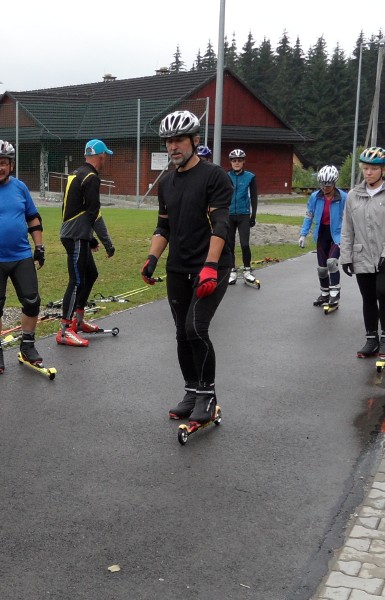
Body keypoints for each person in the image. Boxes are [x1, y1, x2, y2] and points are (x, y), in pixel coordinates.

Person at [139, 110, 233, 425]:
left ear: (195, 140)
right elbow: (162, 226)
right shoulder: (166, 182)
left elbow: (220, 225)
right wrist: (152, 258)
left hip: (213, 265)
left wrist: (210, 266)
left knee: (196, 328)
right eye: (168, 141)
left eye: (179, 139)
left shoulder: (215, 176)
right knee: (181, 332)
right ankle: (192, 390)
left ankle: (208, 394)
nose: (173, 146)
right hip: (179, 266)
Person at [0, 140, 46, 373]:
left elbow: (33, 217)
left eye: (2, 163)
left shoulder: (20, 187)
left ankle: (27, 345)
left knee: (32, 301)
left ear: (11, 165)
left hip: (21, 256)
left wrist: (39, 247)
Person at [339, 146, 385, 361]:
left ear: (383, 170)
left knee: (384, 293)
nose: (368, 173)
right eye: (365, 168)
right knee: (368, 298)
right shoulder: (353, 195)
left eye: (373, 169)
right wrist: (346, 256)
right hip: (362, 256)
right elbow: (347, 228)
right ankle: (371, 338)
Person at [57, 138, 116, 347]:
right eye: (105, 156)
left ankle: (78, 320)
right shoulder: (91, 177)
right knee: (77, 281)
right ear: (101, 156)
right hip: (76, 236)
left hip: (74, 234)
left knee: (91, 274)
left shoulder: (76, 173)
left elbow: (77, 209)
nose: (105, 160)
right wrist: (104, 242)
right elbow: (93, 214)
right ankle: (64, 330)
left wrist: (90, 239)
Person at [298, 165, 348, 309]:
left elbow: (351, 218)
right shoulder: (315, 196)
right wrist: (303, 234)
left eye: (328, 185)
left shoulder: (343, 197)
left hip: (337, 234)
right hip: (321, 233)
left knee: (332, 262)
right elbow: (309, 216)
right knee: (321, 268)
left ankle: (334, 293)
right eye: (322, 184)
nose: (325, 188)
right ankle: (324, 293)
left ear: (334, 183)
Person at [225, 148, 259, 285]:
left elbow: (254, 197)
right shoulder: (226, 176)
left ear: (243, 161)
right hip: (229, 215)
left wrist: (253, 215)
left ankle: (247, 270)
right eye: (234, 160)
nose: (237, 163)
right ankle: (232, 270)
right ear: (231, 162)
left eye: (239, 160)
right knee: (230, 244)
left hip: (244, 214)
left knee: (245, 244)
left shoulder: (250, 177)